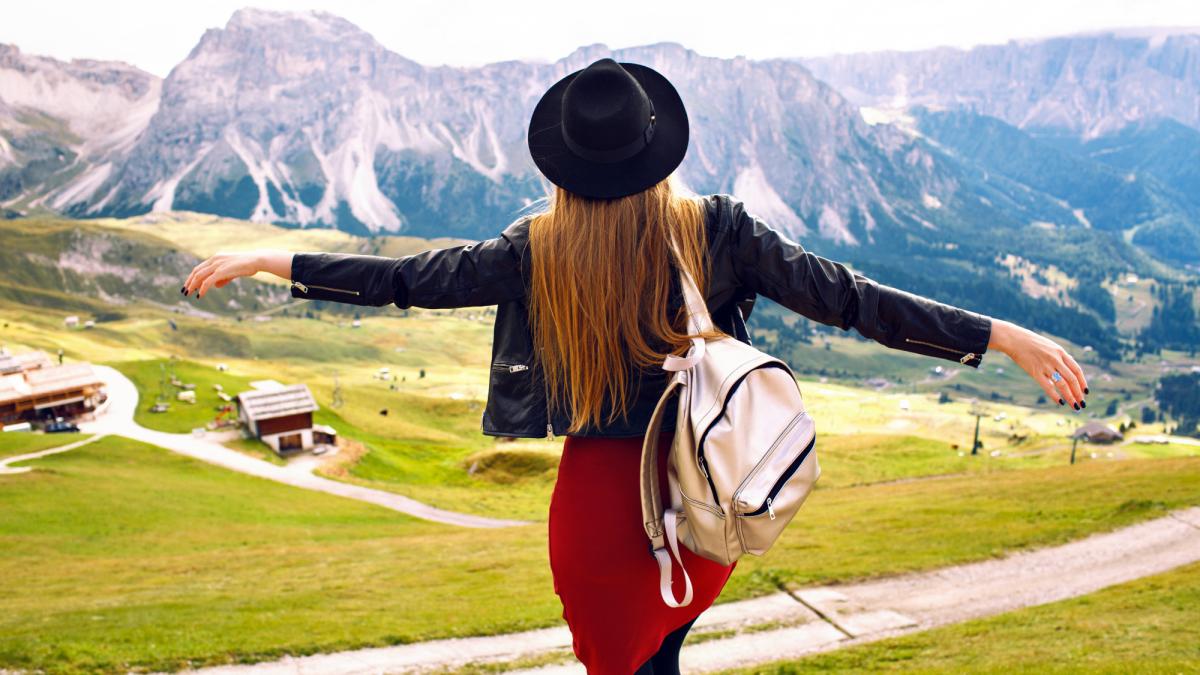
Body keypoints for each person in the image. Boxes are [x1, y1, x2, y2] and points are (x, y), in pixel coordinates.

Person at [183, 58, 1088, 674]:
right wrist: (997, 334)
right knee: (667, 646)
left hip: (597, 509)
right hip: (703, 496)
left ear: (563, 164)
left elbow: (407, 280)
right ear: (657, 148)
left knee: (630, 660)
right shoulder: (717, 230)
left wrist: (278, 260)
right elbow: (853, 299)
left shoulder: (538, 248)